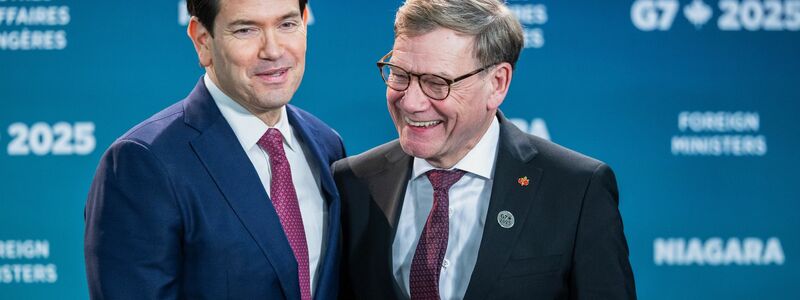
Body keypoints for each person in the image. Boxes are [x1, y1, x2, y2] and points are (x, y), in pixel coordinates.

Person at [333, 0, 636, 299]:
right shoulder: (354, 182)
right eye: (399, 74)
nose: (411, 102)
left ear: (497, 83)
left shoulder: (576, 189)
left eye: (436, 82)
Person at [84, 0, 344, 299]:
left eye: (287, 24)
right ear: (202, 41)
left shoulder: (327, 144)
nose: (273, 50)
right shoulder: (143, 161)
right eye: (246, 30)